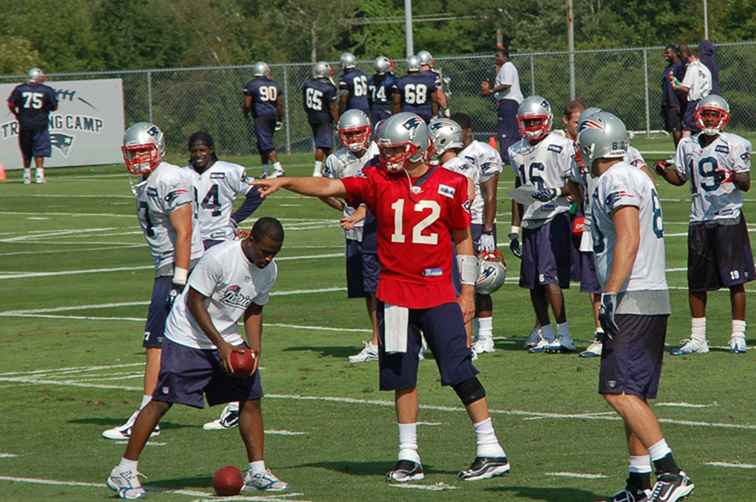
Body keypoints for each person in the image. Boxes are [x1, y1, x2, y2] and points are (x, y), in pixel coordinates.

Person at [253, 112, 510, 484]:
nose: (388, 156)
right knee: (401, 375)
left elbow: (462, 237)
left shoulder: (452, 183)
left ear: (420, 147)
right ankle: (409, 455)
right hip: (394, 294)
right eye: (386, 149)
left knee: (459, 371)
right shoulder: (377, 181)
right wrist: (287, 181)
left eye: (395, 149)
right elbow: (329, 188)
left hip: (437, 292)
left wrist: (467, 291)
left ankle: (490, 448)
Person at [107, 217, 288, 499]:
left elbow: (254, 309)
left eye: (273, 253)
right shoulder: (219, 258)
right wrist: (221, 346)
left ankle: (257, 470)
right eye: (264, 251)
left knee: (251, 398)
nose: (267, 258)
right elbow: (194, 302)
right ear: (250, 240)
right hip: (187, 336)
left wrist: (255, 350)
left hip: (226, 336)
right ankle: (124, 470)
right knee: (161, 401)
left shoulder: (269, 270)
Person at [578, 111, 694, 502]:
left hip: (633, 295)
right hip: (650, 292)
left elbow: (627, 238)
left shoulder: (616, 178)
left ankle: (670, 471)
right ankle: (639, 482)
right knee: (633, 393)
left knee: (619, 391)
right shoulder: (632, 174)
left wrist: (610, 293)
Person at [103, 122, 204, 441]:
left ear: (158, 148)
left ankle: (147, 413)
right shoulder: (151, 181)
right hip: (170, 267)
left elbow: (184, 231)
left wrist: (179, 277)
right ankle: (240, 402)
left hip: (178, 268)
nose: (139, 159)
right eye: (133, 153)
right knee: (206, 340)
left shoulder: (168, 178)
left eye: (144, 151)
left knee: (156, 343)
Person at [655, 95, 753, 356]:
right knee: (696, 282)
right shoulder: (687, 145)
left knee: (736, 280)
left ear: (723, 117)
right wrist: (664, 171)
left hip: (728, 216)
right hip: (699, 219)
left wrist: (731, 175)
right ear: (699, 115)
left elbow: (745, 182)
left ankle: (737, 335)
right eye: (706, 114)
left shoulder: (735, 144)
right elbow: (680, 178)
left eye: (714, 114)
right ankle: (699, 339)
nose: (709, 118)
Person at [183, 131, 266, 430]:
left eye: (203, 149)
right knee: (196, 309)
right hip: (194, 246)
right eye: (194, 150)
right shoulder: (182, 175)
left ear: (212, 149)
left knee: (222, 311)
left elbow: (257, 192)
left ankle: (233, 396)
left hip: (222, 245)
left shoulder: (229, 171)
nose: (199, 154)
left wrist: (235, 219)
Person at [563, 103, 653, 358]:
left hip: (618, 221)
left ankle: (622, 331)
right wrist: (566, 195)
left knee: (619, 276)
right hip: (594, 221)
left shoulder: (626, 155)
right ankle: (601, 332)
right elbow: (574, 185)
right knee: (595, 282)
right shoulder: (579, 157)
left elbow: (646, 182)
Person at [508, 96, 577, 353]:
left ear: (546, 120)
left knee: (548, 278)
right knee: (532, 282)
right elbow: (519, 188)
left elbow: (575, 185)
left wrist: (556, 191)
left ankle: (565, 334)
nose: (532, 126)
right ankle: (546, 334)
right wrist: (514, 230)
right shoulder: (515, 149)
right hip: (530, 220)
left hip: (554, 216)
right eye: (528, 122)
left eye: (536, 121)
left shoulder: (560, 145)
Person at [320, 110, 381, 363]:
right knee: (369, 290)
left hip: (382, 228)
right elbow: (323, 188)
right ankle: (378, 340)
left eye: (358, 132)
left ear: (367, 130)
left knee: (387, 287)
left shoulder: (380, 153)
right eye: (349, 133)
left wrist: (364, 210)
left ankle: (395, 340)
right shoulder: (336, 160)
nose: (355, 137)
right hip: (355, 233)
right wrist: (343, 208)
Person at [447, 112, 505, 356]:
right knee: (455, 279)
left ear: (468, 130)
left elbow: (489, 193)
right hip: (455, 220)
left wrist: (489, 229)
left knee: (480, 281)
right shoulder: (448, 156)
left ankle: (486, 336)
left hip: (478, 221)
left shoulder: (483, 151)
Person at [6, 67, 58, 184]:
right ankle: (39, 175)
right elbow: (54, 107)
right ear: (36, 76)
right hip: (40, 124)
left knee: (26, 149)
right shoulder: (47, 90)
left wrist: (17, 114)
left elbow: (10, 103)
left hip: (25, 123)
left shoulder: (20, 89)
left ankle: (27, 175)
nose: (43, 77)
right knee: (40, 149)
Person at [242, 61, 285, 178]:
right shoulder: (274, 84)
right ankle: (265, 171)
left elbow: (247, 104)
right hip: (272, 115)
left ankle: (278, 168)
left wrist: (245, 114)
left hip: (261, 116)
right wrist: (280, 119)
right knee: (262, 143)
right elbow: (280, 105)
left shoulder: (252, 84)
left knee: (266, 143)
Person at [481, 47, 523, 165]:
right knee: (511, 130)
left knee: (506, 130)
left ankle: (507, 157)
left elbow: (507, 84)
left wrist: (490, 91)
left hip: (509, 102)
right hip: (507, 102)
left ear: (505, 57)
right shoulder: (504, 68)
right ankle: (511, 155)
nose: (496, 58)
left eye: (498, 56)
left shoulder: (507, 66)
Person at [302, 61, 339, 177]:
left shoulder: (307, 83)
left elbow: (304, 103)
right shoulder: (328, 88)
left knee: (326, 145)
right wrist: (338, 121)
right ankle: (317, 171)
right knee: (322, 145)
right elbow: (332, 107)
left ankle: (330, 168)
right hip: (324, 117)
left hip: (312, 116)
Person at [671, 46, 711, 137]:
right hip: (705, 102)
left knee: (687, 127)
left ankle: (686, 149)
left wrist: (675, 86)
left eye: (687, 57)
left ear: (691, 56)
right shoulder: (705, 69)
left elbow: (686, 88)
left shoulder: (692, 68)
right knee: (700, 127)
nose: (686, 60)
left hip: (694, 102)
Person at [392, 56, 439, 123]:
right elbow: (434, 101)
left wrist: (395, 117)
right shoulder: (429, 81)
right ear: (419, 65)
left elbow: (396, 102)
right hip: (425, 113)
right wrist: (435, 116)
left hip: (407, 113)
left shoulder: (401, 81)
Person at [661, 45, 686, 148]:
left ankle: (680, 154)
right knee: (674, 130)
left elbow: (683, 85)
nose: (665, 55)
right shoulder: (668, 68)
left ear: (675, 53)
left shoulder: (680, 67)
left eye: (668, 53)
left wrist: (678, 103)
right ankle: (678, 153)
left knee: (678, 129)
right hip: (668, 103)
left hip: (676, 103)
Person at [417, 50, 449, 116]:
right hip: (429, 111)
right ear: (428, 61)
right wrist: (446, 109)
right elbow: (439, 95)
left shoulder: (411, 75)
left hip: (413, 111)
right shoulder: (433, 75)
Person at [368, 56, 396, 125]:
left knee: (375, 130)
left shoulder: (370, 79)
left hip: (374, 107)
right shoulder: (390, 79)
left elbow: (369, 97)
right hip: (386, 107)